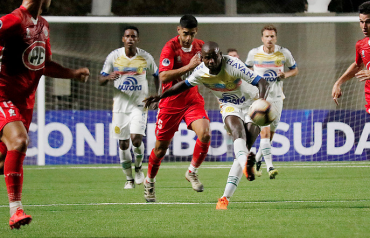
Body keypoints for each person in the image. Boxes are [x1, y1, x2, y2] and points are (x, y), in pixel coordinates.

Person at [0, 0, 90, 229]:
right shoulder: (14, 21)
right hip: (3, 96)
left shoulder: (43, 26)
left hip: (25, 103)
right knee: (19, 142)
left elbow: (43, 65)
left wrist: (72, 73)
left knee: (5, 159)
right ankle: (16, 211)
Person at [144, 41, 269, 210]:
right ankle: (244, 166)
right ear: (202, 58)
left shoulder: (234, 65)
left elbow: (263, 83)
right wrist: (160, 97)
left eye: (214, 57)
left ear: (220, 55)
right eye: (207, 58)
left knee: (244, 147)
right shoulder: (201, 72)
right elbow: (182, 85)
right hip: (229, 105)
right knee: (237, 133)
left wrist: (260, 103)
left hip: (252, 104)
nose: (211, 61)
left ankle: (225, 196)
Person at [143, 15, 211, 202]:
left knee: (205, 134)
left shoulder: (201, 46)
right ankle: (149, 181)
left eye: (192, 34)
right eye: (185, 33)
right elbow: (164, 77)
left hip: (192, 100)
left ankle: (192, 172)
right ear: (178, 30)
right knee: (160, 149)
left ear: (196, 32)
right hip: (170, 103)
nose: (188, 38)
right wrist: (189, 66)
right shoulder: (170, 47)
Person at [99, 26, 159, 189]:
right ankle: (129, 179)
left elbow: (157, 75)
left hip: (139, 106)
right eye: (127, 36)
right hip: (120, 107)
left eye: (133, 36)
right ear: (123, 39)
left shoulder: (145, 57)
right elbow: (100, 79)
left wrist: (158, 95)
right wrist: (108, 77)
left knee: (136, 139)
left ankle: (138, 169)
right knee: (123, 144)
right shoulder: (114, 56)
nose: (130, 38)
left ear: (137, 39)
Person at [245, 25, 298, 179]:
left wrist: (285, 75)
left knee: (270, 135)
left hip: (277, 97)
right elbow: (245, 71)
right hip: (260, 99)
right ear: (262, 38)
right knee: (265, 132)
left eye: (272, 36)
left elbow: (295, 70)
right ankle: (270, 167)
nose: (269, 39)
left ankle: (258, 159)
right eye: (267, 36)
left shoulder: (284, 53)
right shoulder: (254, 53)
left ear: (276, 38)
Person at [332, 1, 370, 112]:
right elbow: (358, 66)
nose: (364, 26)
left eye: (368, 22)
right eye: (361, 22)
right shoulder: (361, 45)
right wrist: (338, 83)